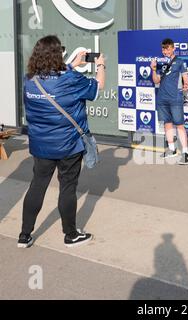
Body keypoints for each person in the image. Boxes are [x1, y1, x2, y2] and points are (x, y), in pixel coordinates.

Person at [18, 35, 106, 248]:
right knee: (67, 188)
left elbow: (51, 79)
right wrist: (101, 64)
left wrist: (71, 65)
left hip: (41, 145)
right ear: (57, 55)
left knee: (37, 186)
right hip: (68, 145)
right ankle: (71, 235)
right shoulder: (71, 79)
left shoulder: (29, 79)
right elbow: (98, 87)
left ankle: (24, 235)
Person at [150, 38, 188, 165]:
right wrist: (153, 69)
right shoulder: (160, 63)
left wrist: (186, 84)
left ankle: (185, 153)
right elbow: (156, 81)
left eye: (168, 48)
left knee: (179, 124)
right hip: (162, 98)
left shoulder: (180, 62)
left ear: (173, 48)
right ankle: (172, 149)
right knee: (167, 123)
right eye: (163, 49)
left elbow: (186, 78)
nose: (165, 51)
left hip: (175, 98)